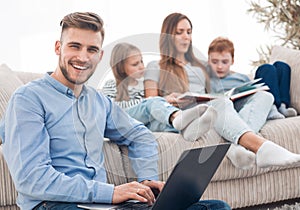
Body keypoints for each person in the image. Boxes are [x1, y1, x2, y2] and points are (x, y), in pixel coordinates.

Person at [0, 12, 231, 210]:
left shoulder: (98, 101)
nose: (82, 57)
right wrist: (111, 193)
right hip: (51, 204)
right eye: (74, 46)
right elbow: (32, 179)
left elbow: (139, 135)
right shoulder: (28, 98)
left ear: (100, 56)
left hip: (102, 206)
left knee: (217, 207)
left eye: (91, 49)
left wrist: (148, 180)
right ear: (58, 47)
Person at [144, 12, 300, 170]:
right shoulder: (154, 66)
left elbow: (218, 85)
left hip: (210, 107)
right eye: (180, 32)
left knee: (265, 96)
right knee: (219, 104)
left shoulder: (201, 66)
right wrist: (168, 99)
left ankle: (237, 147)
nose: (186, 37)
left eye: (189, 32)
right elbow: (150, 102)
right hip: (183, 114)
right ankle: (263, 148)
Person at [102, 42, 217, 142]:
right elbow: (110, 110)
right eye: (135, 64)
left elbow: (151, 108)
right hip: (122, 120)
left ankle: (189, 131)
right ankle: (178, 116)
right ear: (121, 67)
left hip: (141, 123)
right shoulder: (111, 85)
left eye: (141, 61)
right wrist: (148, 102)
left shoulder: (143, 86)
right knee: (152, 102)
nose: (142, 67)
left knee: (158, 123)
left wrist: (168, 99)